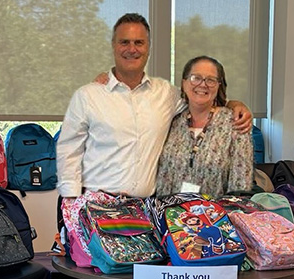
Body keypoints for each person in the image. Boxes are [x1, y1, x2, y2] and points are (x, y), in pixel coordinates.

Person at [55, 13, 252, 202]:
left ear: (148, 47)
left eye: (139, 42)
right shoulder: (89, 95)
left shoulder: (166, 94)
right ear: (114, 46)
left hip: (146, 209)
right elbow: (69, 150)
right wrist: (71, 200)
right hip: (96, 204)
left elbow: (199, 96)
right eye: (125, 42)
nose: (132, 49)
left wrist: (235, 104)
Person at [155, 56, 254, 197]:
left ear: (219, 85)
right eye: (196, 77)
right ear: (184, 83)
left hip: (214, 216)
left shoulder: (236, 124)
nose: (202, 84)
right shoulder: (170, 120)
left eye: (211, 80)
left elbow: (240, 189)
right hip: (168, 213)